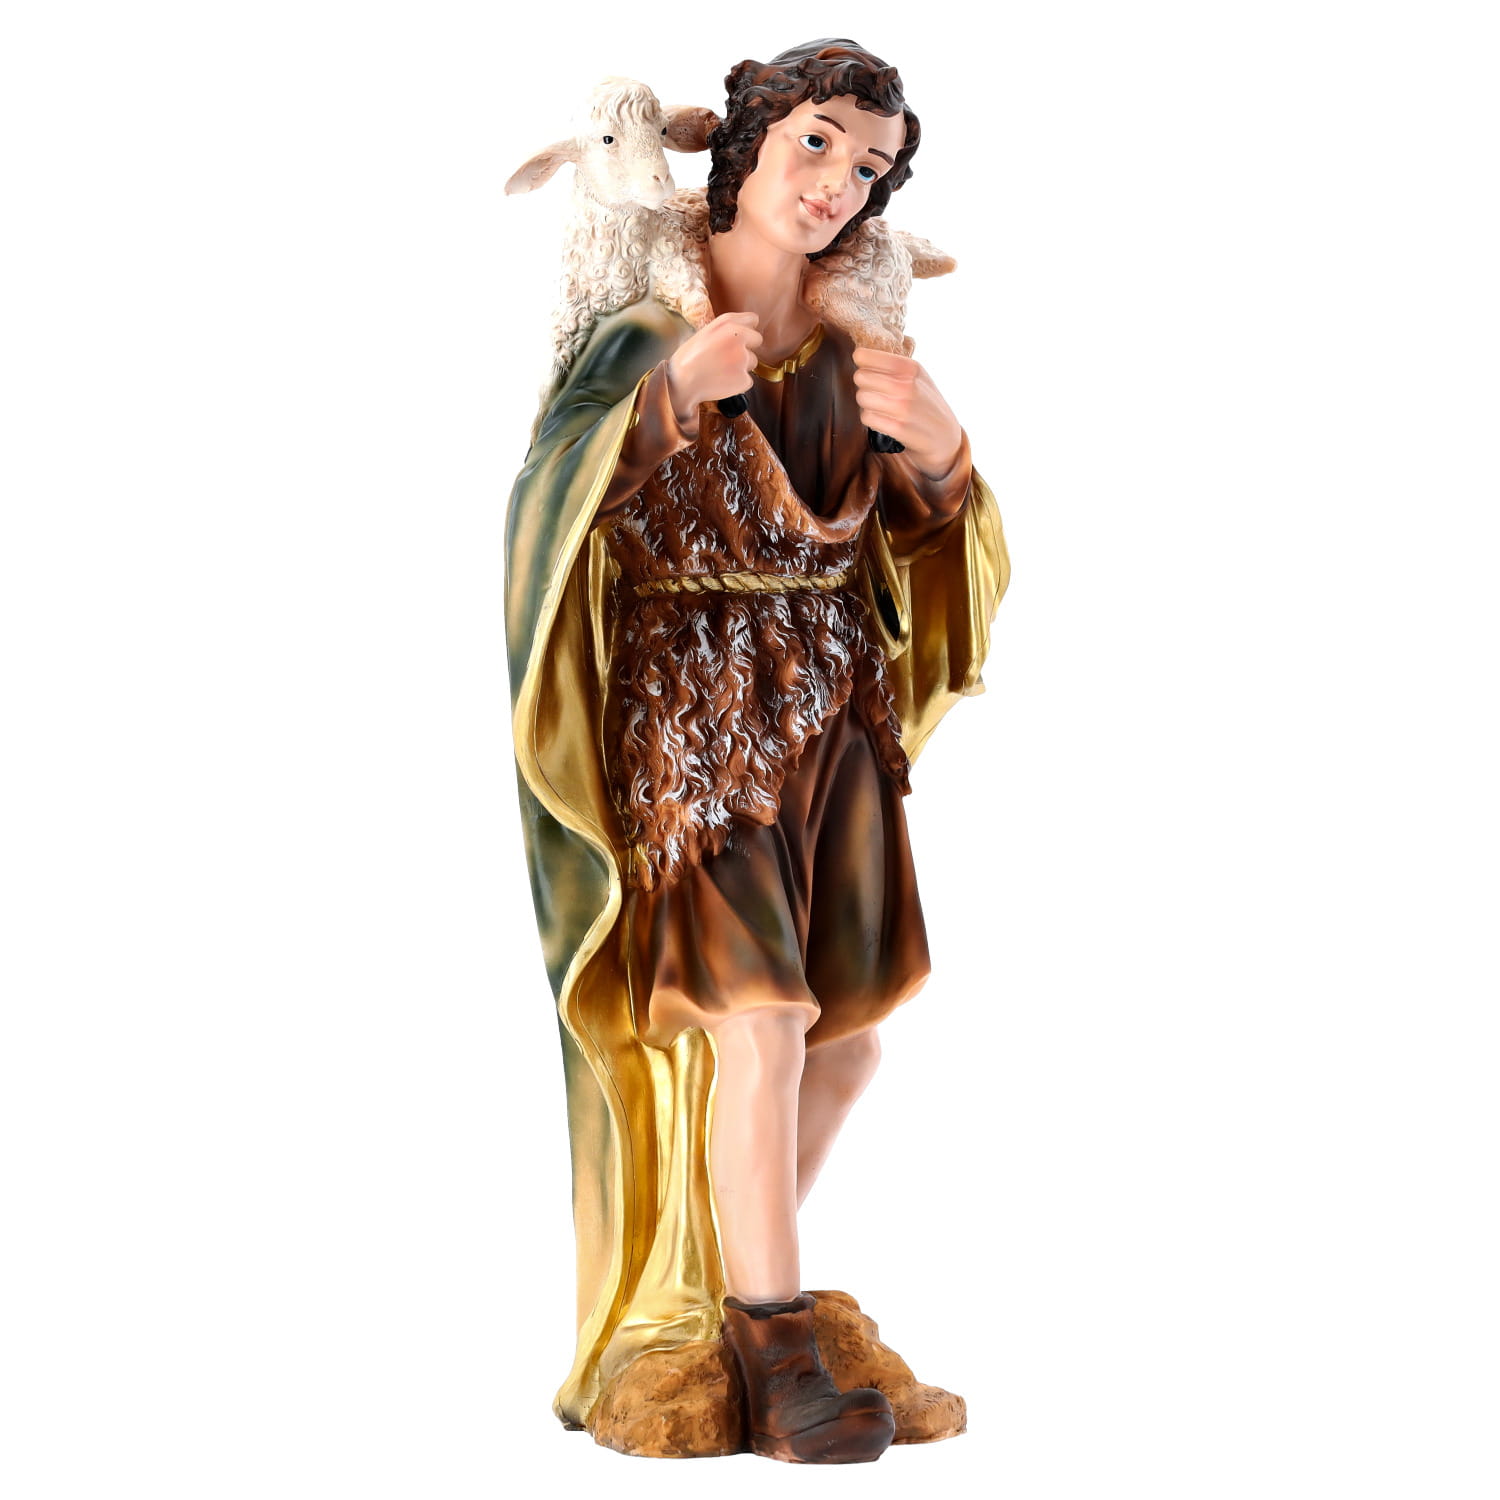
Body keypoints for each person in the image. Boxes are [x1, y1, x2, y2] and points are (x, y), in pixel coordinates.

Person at [506, 39, 1008, 1463]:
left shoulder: (861, 355)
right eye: (818, 143)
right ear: (746, 144)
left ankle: (715, 1292)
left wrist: (943, 457)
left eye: (870, 166)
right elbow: (548, 512)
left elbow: (924, 554)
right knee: (761, 1022)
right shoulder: (642, 332)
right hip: (695, 723)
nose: (839, 183)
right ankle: (779, 1354)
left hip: (833, 722)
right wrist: (666, 402)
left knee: (842, 1041)